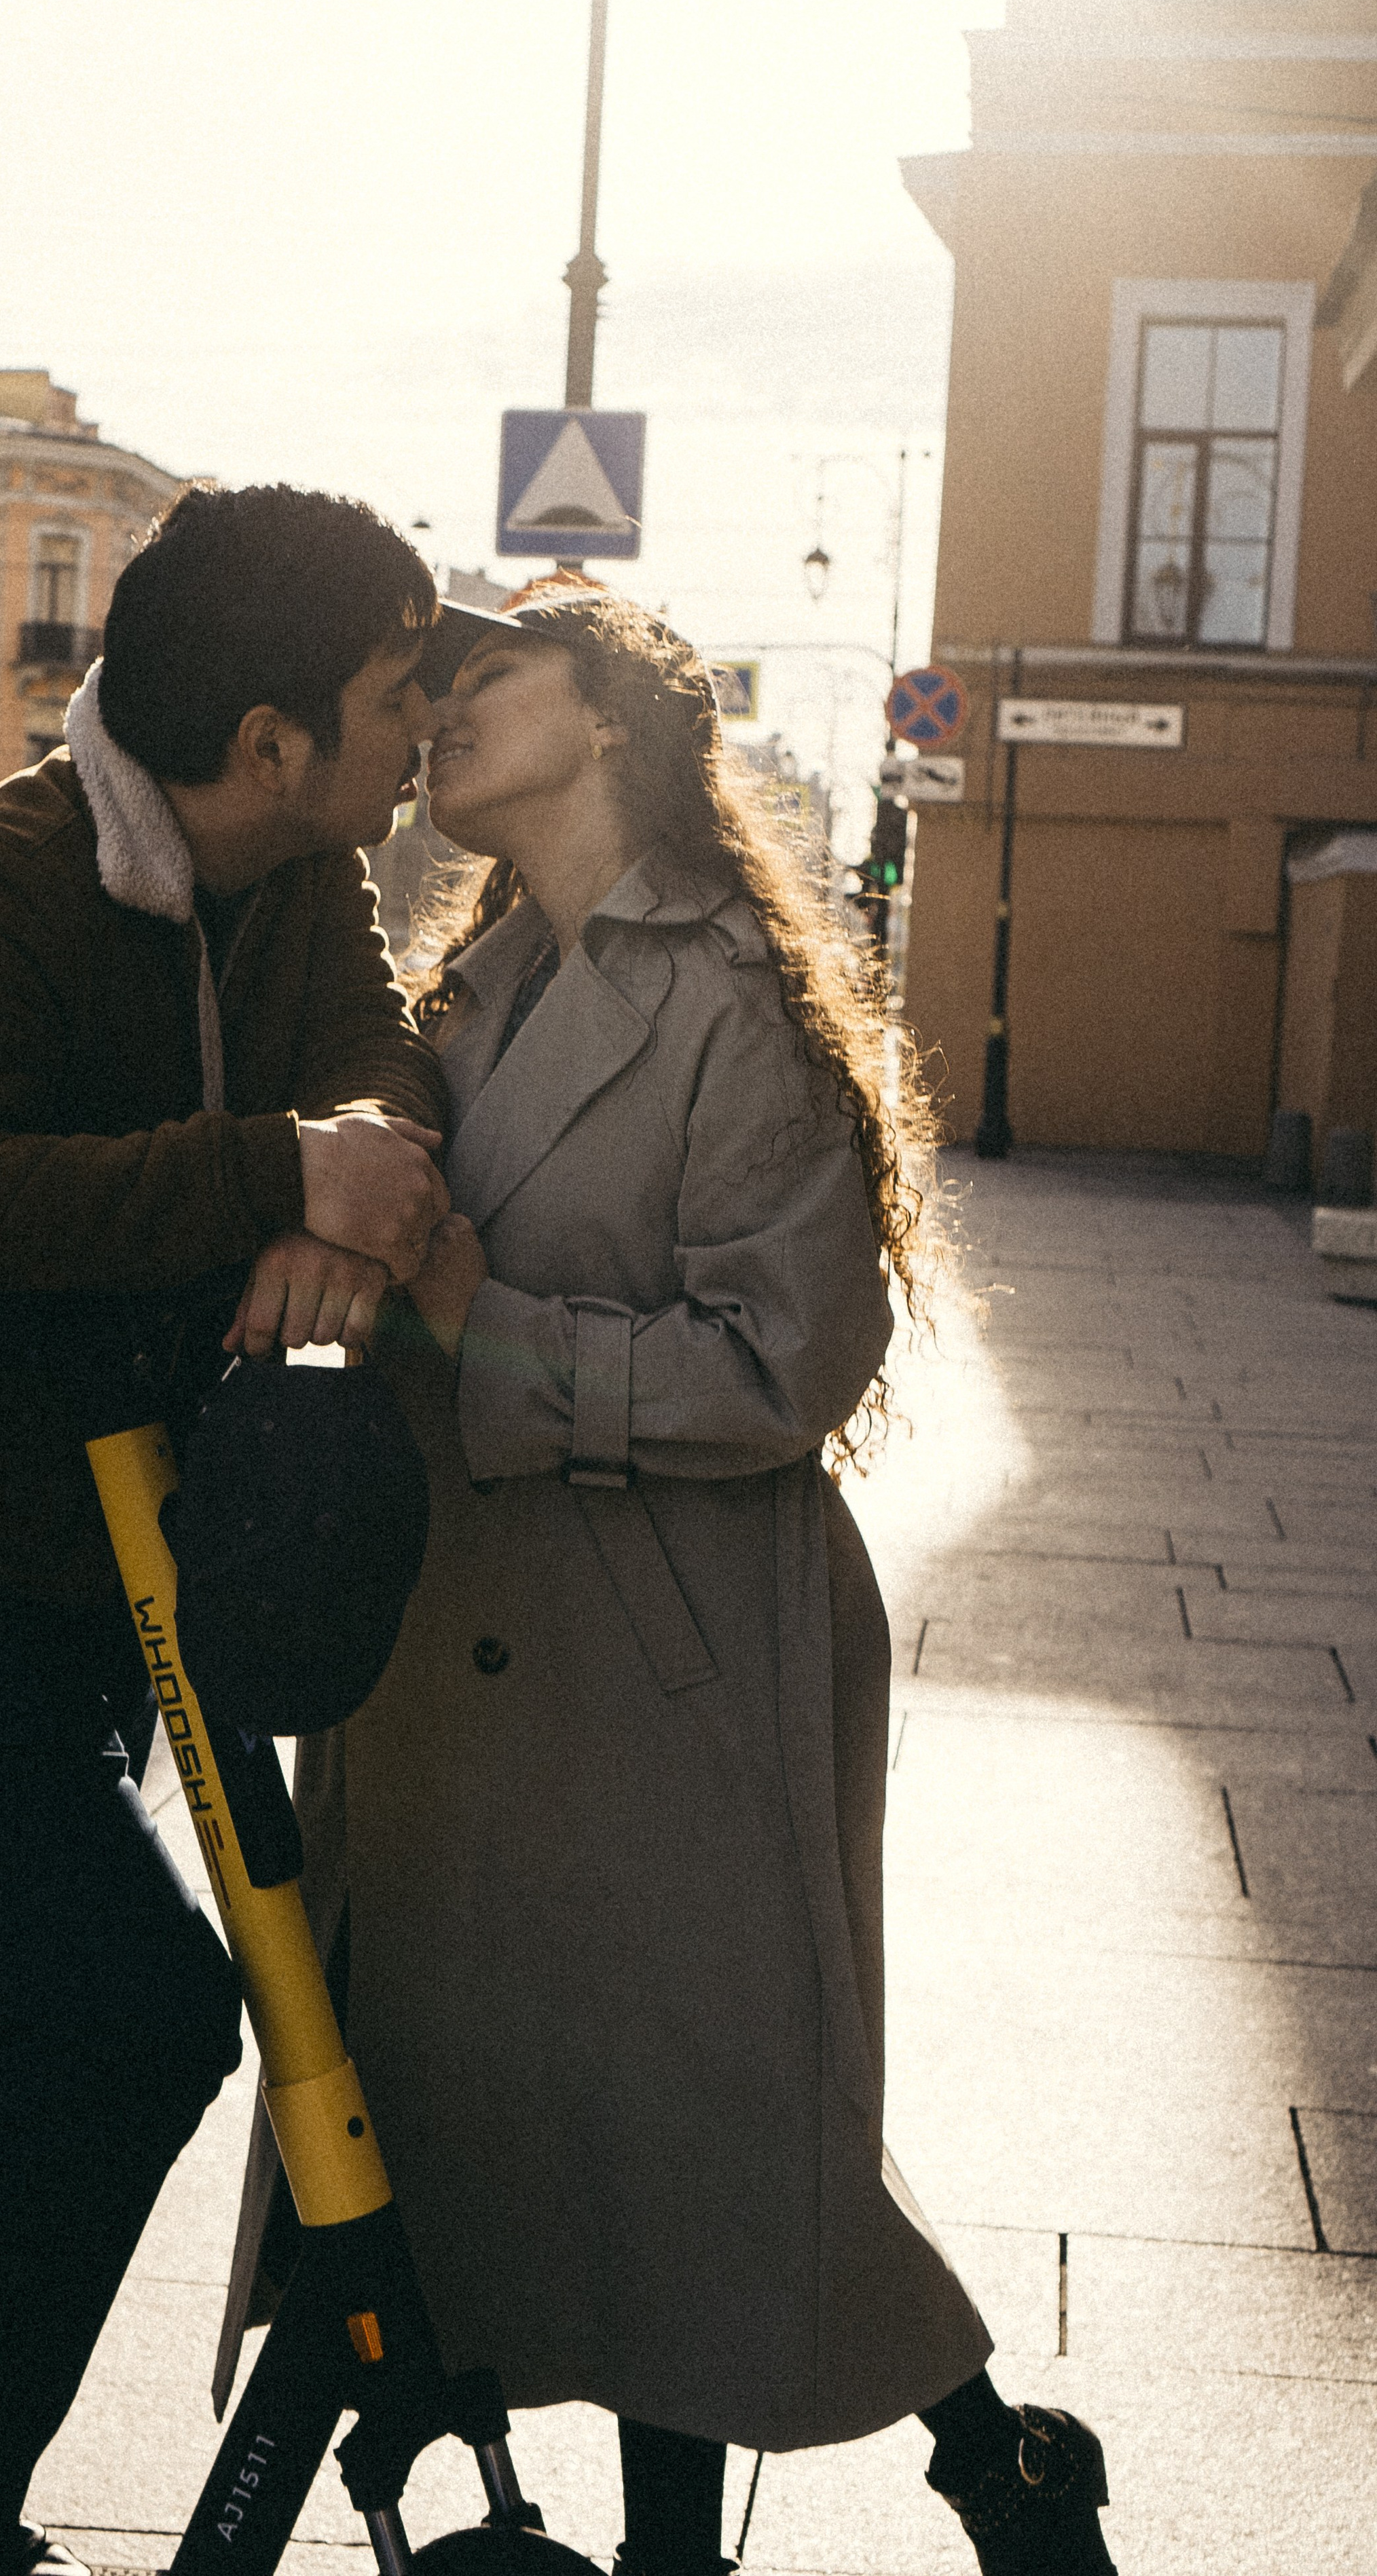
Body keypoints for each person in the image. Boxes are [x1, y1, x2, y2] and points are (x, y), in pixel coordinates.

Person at [215, 584, 1117, 2576]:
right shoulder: (464, 987)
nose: (442, 707)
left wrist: (482, 1317)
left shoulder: (729, 996)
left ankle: (807, 2516)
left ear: (615, 717)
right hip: (462, 1661)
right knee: (547, 2130)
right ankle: (977, 2468)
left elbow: (787, 1363)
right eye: (431, 686)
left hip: (675, 1657)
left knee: (698, 2139)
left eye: (489, 674)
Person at [0, 483, 452, 2576]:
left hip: (91, 1573)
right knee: (135, 2011)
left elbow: (377, 1071)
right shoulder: (8, 885)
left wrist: (344, 1175)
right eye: (397, 698)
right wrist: (269, 1175)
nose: (418, 738)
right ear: (268, 742)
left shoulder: (299, 883)